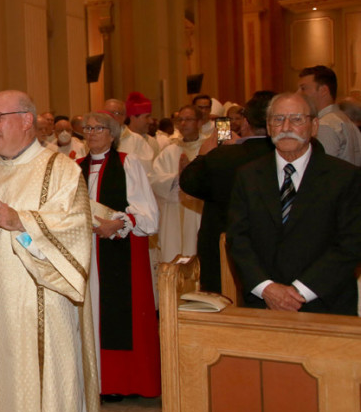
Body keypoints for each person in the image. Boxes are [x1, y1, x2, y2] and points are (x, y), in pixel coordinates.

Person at [0, 90, 98, 412]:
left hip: (43, 305)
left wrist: (20, 222)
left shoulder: (61, 170)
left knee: (48, 388)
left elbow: (74, 231)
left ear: (27, 120)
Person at [228, 93, 361, 315]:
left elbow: (351, 243)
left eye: (297, 119)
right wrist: (267, 288)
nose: (286, 127)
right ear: (269, 127)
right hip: (263, 304)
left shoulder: (345, 177)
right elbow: (237, 238)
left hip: (325, 304)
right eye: (278, 119)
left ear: (314, 125)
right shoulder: (248, 176)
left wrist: (299, 292)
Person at [78, 111, 159, 401]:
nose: (91, 133)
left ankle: (118, 381)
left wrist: (120, 223)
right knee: (88, 314)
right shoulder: (74, 167)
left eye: (98, 128)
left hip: (119, 252)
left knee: (117, 315)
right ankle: (91, 380)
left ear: (112, 134)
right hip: (85, 253)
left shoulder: (128, 163)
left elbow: (149, 217)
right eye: (87, 128)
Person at [179, 91, 275, 293]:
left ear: (246, 122)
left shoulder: (223, 156)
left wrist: (203, 155)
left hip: (226, 246)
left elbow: (189, 183)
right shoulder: (283, 153)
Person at [150, 105, 206, 263]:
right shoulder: (170, 151)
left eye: (188, 119)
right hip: (173, 214)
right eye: (180, 120)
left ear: (200, 122)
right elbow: (154, 179)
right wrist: (177, 178)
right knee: (173, 257)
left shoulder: (208, 149)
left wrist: (192, 176)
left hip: (198, 213)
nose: (183, 123)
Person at [297, 65, 361, 166]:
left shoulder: (325, 125)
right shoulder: (345, 120)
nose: (298, 94)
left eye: (303, 88)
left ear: (323, 90)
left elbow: (321, 167)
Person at [103, 98, 155, 174]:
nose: (108, 116)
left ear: (124, 117)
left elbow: (146, 172)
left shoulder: (137, 141)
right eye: (105, 113)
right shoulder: (94, 139)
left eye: (115, 113)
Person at [125, 92, 159, 157]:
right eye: (147, 117)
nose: (151, 121)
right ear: (133, 117)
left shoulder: (152, 143)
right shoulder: (120, 142)